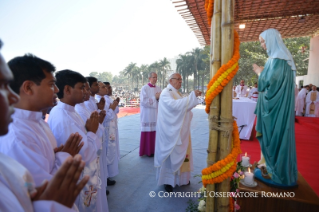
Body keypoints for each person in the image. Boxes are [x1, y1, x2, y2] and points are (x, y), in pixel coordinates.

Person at [0, 39, 88, 211]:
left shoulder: (37, 121)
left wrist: (60, 156)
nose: (56, 90)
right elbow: (46, 192)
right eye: (51, 84)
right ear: (29, 88)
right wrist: (64, 157)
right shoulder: (17, 135)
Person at [48, 70, 108, 212]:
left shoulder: (70, 111)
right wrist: (92, 132)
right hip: (78, 179)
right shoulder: (64, 117)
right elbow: (83, 154)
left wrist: (92, 129)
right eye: (82, 87)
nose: (85, 92)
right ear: (67, 89)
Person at [252, 28, 298, 186]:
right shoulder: (283, 59)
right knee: (280, 138)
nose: (263, 46)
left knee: (275, 138)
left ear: (271, 40)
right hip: (280, 109)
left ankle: (277, 173)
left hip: (275, 112)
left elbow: (269, 85)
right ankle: (276, 169)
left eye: (263, 42)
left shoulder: (277, 60)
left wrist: (260, 72)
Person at [154, 73, 201, 192]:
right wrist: (191, 96)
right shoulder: (166, 92)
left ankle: (181, 179)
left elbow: (183, 108)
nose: (180, 81)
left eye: (181, 79)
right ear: (171, 80)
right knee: (170, 155)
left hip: (179, 130)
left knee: (182, 153)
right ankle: (167, 181)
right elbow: (174, 106)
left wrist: (191, 99)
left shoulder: (176, 92)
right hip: (169, 132)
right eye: (178, 79)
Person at [95, 82, 117, 186]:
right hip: (104, 129)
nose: (107, 89)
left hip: (108, 129)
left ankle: (107, 177)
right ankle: (105, 179)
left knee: (107, 154)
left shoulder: (105, 98)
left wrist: (114, 107)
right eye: (104, 87)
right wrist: (112, 108)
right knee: (105, 155)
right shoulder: (99, 100)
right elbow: (105, 116)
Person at [139, 72, 161, 157]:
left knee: (156, 130)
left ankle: (156, 150)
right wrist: (155, 98)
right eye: (153, 77)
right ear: (149, 78)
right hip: (147, 114)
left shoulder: (159, 88)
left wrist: (159, 99)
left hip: (157, 113)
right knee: (148, 130)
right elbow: (144, 101)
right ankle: (148, 151)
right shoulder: (145, 88)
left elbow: (161, 100)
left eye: (156, 77)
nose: (155, 79)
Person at [105, 83, 120, 180]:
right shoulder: (101, 99)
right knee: (107, 151)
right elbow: (106, 115)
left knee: (112, 149)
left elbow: (116, 110)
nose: (110, 89)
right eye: (108, 87)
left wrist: (115, 105)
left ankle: (109, 175)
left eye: (110, 87)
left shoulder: (109, 99)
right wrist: (112, 108)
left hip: (112, 126)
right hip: (107, 128)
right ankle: (106, 176)